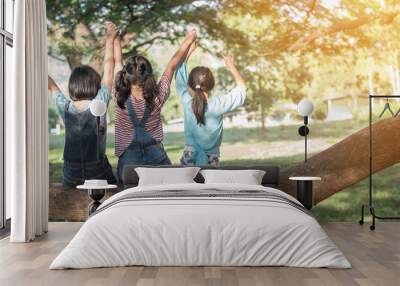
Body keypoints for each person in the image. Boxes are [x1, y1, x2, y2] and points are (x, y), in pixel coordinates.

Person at [113, 29, 197, 180]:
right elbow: (171, 65)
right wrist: (188, 40)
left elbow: (117, 62)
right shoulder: (158, 96)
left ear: (125, 75)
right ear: (149, 75)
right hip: (157, 159)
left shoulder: (119, 95)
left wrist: (115, 38)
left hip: (128, 162)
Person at [48, 21, 118, 187]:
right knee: (114, 181)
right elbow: (109, 70)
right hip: (97, 172)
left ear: (73, 86)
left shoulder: (65, 107)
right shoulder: (99, 103)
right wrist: (110, 39)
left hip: (71, 174)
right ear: (95, 85)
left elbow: (50, 84)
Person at [175, 41, 246, 166]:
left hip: (189, 156)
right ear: (212, 85)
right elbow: (241, 90)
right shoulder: (218, 104)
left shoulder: (187, 103)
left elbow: (180, 78)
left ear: (191, 85)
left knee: (186, 186)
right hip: (211, 159)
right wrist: (231, 67)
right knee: (209, 186)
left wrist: (189, 51)